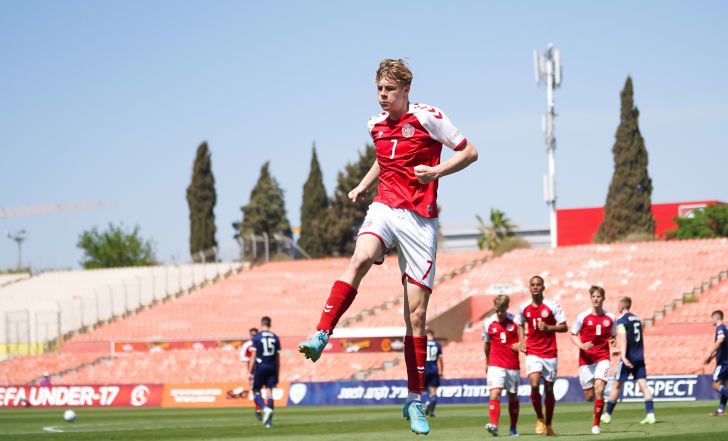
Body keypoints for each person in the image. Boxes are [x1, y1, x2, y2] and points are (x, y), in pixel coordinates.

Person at [298, 58, 478, 435]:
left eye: (389, 89)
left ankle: (414, 400)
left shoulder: (429, 117)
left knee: (416, 315)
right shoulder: (374, 124)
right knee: (360, 257)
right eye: (379, 88)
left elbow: (469, 152)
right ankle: (321, 333)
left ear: (405, 90)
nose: (382, 95)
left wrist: (436, 171)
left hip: (420, 221)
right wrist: (364, 185)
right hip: (384, 208)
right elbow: (385, 160)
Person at [516, 275, 567, 436]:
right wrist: (522, 341)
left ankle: (549, 425)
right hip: (533, 351)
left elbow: (564, 327)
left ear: (543, 287)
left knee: (549, 389)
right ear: (529, 288)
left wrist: (549, 328)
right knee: (534, 384)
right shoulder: (524, 307)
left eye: (538, 284)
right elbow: (520, 324)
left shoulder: (552, 306)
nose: (535, 287)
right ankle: (539, 418)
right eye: (533, 285)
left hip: (550, 353)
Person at [600, 296, 655, 425]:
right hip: (639, 357)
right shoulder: (637, 319)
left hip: (628, 358)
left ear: (621, 306)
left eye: (618, 305)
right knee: (644, 386)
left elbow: (623, 337)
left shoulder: (621, 320)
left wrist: (623, 356)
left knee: (616, 386)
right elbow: (635, 341)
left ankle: (607, 415)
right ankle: (651, 415)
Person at [570, 285, 616, 435]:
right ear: (591, 298)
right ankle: (597, 408)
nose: (596, 299)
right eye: (594, 296)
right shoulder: (583, 317)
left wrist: (613, 342)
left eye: (598, 296)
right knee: (589, 396)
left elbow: (613, 336)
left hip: (603, 358)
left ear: (603, 298)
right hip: (586, 360)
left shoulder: (610, 318)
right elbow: (573, 334)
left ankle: (596, 424)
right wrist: (581, 345)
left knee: (600, 389)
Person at [483, 295, 521, 437]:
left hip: (512, 365)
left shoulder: (516, 321)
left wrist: (521, 343)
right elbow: (486, 345)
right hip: (495, 364)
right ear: (494, 307)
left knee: (513, 396)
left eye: (502, 310)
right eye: (497, 310)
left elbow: (525, 338)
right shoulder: (488, 323)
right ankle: (494, 426)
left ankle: (513, 428)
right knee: (495, 393)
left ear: (507, 307)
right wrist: (487, 362)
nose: (499, 313)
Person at [251, 317, 280, 428]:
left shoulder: (257, 337)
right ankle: (269, 422)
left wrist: (250, 371)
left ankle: (265, 408)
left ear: (261, 324)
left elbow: (253, 355)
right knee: (270, 392)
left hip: (261, 366)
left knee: (256, 390)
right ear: (270, 324)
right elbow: (278, 358)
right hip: (272, 367)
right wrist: (277, 371)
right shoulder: (275, 337)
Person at [704, 310, 728, 416]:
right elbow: (723, 347)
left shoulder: (720, 328)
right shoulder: (726, 328)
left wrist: (709, 353)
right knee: (724, 385)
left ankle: (720, 410)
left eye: (712, 318)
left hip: (723, 363)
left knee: (716, 385)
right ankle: (720, 410)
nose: (711, 320)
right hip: (726, 362)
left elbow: (720, 340)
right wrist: (712, 357)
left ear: (717, 318)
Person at [240, 327, 261, 420]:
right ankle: (258, 409)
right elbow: (242, 358)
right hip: (252, 372)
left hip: (262, 369)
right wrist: (251, 359)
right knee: (256, 390)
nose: (253, 336)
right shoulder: (247, 345)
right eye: (252, 335)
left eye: (255, 335)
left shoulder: (261, 343)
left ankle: (262, 408)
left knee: (263, 389)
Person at [423, 329, 443, 417]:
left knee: (423, 389)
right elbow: (440, 359)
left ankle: (427, 402)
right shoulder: (438, 345)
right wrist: (441, 371)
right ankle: (431, 412)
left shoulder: (422, 344)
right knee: (433, 391)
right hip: (434, 369)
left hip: (424, 369)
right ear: (432, 335)